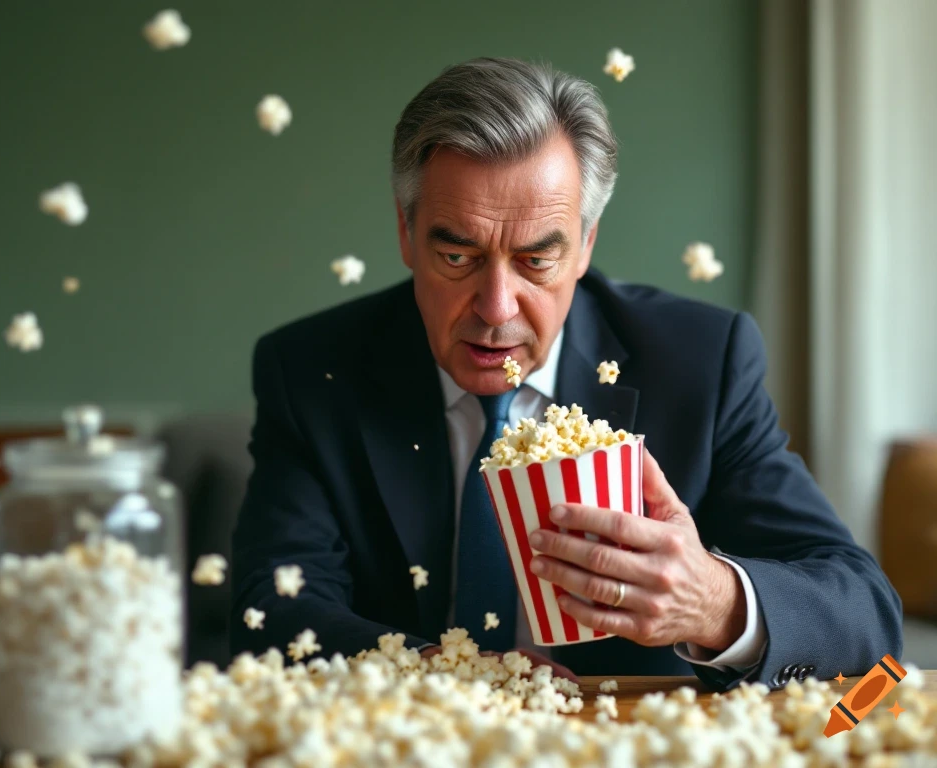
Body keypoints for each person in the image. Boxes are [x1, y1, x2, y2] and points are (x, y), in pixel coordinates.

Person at [230, 56, 903, 691]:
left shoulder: (701, 363)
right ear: (407, 235)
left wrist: (713, 602)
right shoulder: (314, 371)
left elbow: (870, 621)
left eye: (536, 260)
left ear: (585, 245)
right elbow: (272, 612)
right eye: (458, 257)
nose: (496, 308)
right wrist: (447, 676)